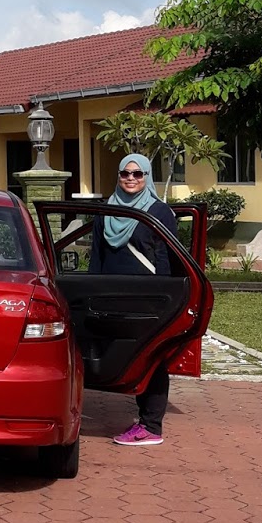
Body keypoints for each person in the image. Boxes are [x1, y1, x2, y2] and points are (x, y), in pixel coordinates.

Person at [89, 153, 178, 448]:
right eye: (125, 173)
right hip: (111, 297)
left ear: (147, 177)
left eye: (138, 174)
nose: (131, 178)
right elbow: (97, 257)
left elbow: (166, 258)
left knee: (151, 359)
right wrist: (91, 293)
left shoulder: (159, 212)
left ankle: (151, 425)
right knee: (118, 355)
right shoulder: (106, 211)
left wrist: (164, 300)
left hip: (147, 298)